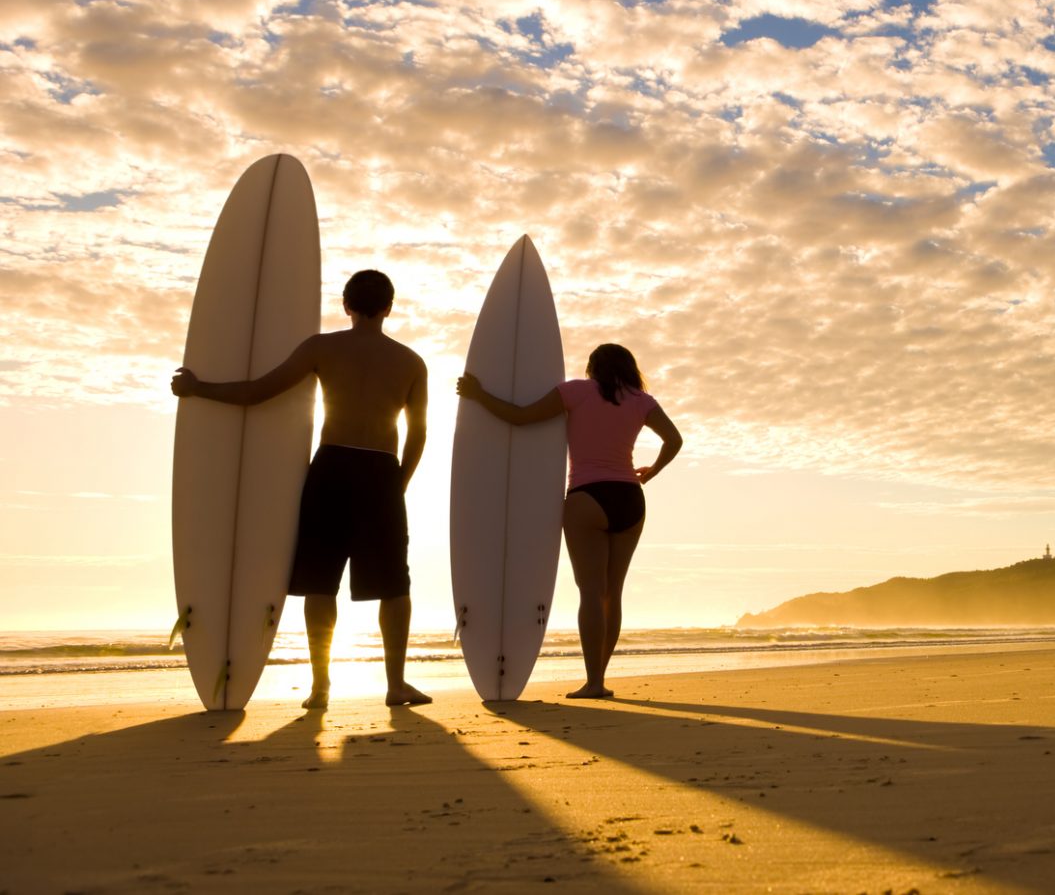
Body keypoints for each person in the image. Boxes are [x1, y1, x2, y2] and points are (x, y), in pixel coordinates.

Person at [171, 269, 432, 709]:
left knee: (320, 581)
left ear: (346, 304)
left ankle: (321, 687)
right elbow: (418, 434)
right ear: (389, 307)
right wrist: (398, 484)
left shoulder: (322, 348)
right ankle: (396, 685)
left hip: (331, 468)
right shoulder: (411, 362)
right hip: (382, 472)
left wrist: (199, 389)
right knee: (394, 586)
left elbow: (259, 392)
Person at [456, 344, 682, 699]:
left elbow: (520, 416)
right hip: (629, 497)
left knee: (591, 593)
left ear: (592, 367)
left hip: (587, 496)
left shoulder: (575, 391)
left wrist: (478, 395)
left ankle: (593, 683)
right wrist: (651, 472)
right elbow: (674, 439)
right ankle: (599, 679)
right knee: (613, 593)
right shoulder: (642, 400)